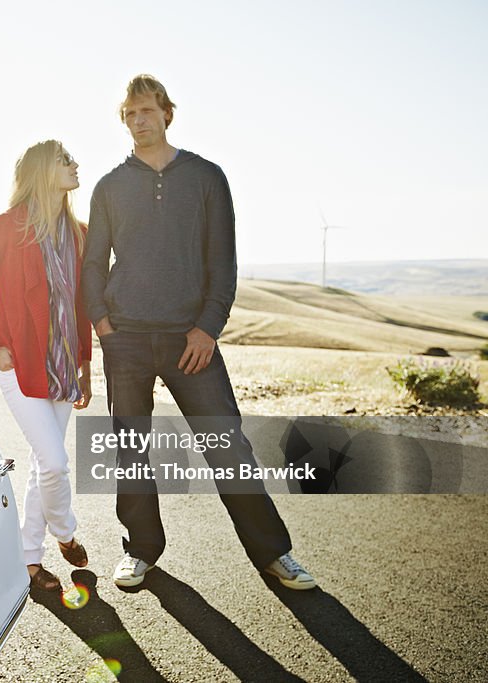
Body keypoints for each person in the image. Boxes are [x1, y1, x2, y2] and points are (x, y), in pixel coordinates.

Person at [82, 75, 316, 590]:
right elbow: (93, 262)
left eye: (146, 111)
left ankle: (275, 554)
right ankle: (140, 549)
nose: (138, 121)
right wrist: (103, 325)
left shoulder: (207, 177)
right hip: (128, 341)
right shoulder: (109, 187)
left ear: (168, 113)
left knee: (226, 444)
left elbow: (223, 262)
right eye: (129, 114)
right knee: (131, 448)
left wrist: (207, 328)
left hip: (192, 340)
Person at [0, 140, 93, 592]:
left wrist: (85, 368)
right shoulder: (5, 227)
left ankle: (28, 561)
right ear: (41, 171)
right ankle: (66, 531)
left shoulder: (79, 233)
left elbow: (81, 306)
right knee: (54, 462)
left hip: (63, 370)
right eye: (65, 160)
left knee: (45, 464)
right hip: (19, 369)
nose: (76, 165)